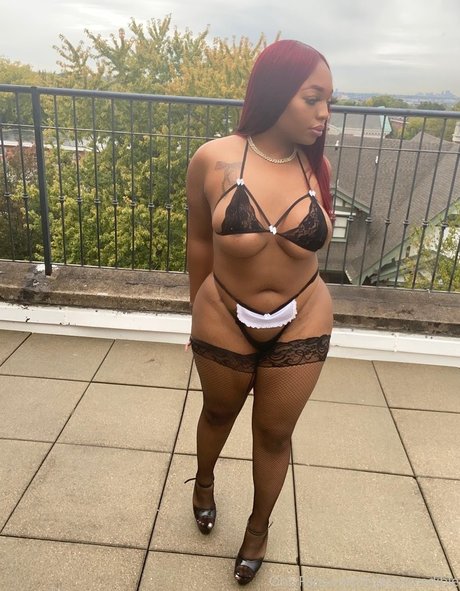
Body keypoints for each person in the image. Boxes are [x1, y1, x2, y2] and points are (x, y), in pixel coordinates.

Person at [184, 39, 334, 585]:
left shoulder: (317, 167)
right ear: (275, 92)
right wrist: (197, 313)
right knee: (218, 414)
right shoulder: (212, 158)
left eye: (329, 101)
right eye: (313, 99)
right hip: (223, 311)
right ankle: (204, 483)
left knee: (275, 433)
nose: (324, 114)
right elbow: (200, 242)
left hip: (305, 313)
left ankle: (257, 528)